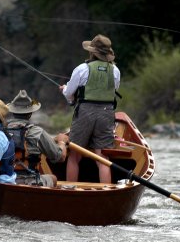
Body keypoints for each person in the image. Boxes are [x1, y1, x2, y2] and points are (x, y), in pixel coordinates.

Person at [59, 34, 120, 183]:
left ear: (92, 52)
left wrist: (64, 90)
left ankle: (71, 190)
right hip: (107, 114)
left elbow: (69, 93)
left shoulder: (82, 68)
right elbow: (113, 89)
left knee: (74, 155)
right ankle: (106, 192)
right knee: (102, 158)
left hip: (85, 112)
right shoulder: (115, 71)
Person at [7, 90, 68, 186]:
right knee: (53, 178)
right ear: (30, 113)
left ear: (13, 112)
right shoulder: (37, 132)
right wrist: (62, 142)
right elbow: (60, 157)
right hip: (29, 180)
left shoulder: (2, 131)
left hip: (6, 179)